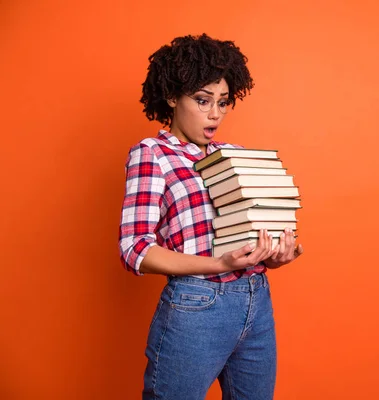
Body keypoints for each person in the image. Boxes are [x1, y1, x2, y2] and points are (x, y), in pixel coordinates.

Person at [118, 33, 303, 400]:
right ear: (172, 98)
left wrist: (281, 253)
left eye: (222, 102)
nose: (215, 113)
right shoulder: (152, 154)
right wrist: (217, 263)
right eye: (203, 101)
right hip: (197, 304)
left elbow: (255, 231)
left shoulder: (235, 154)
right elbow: (134, 249)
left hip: (256, 300)